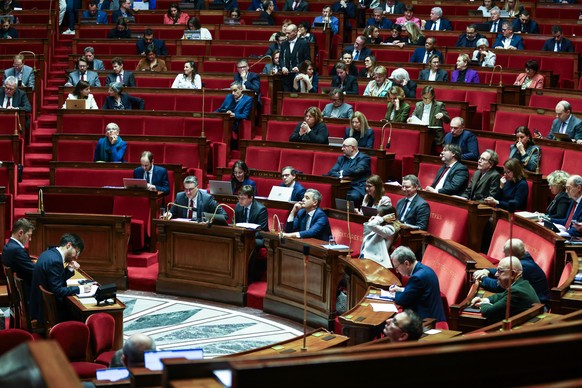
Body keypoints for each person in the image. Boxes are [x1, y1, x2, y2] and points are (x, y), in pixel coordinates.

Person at [29, 233, 91, 322]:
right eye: (76, 252)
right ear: (68, 245)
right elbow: (57, 290)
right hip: (47, 312)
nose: (76, 257)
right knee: (82, 314)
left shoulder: (49, 253)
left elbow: (56, 279)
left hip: (39, 305)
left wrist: (69, 268)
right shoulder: (55, 261)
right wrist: (80, 289)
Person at [474, 238, 550, 308]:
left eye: (505, 253)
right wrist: (487, 271)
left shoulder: (522, 267)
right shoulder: (525, 259)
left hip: (538, 307)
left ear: (510, 255)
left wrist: (483, 278)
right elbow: (503, 269)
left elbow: (498, 287)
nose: (504, 256)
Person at [471, 256, 540, 324]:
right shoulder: (523, 283)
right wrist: (485, 300)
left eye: (500, 271)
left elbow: (489, 311)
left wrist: (483, 304)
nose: (496, 274)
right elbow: (501, 295)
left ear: (512, 274)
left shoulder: (516, 291)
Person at [389, 246, 447, 322]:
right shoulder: (426, 269)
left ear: (406, 263)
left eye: (397, 267)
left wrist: (396, 293)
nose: (397, 271)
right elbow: (418, 291)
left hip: (427, 322)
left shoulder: (417, 277)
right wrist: (400, 289)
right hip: (434, 316)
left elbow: (401, 300)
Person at [236, 184, 269, 282]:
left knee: (250, 244)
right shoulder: (238, 207)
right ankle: (235, 273)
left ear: (251, 198)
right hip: (242, 235)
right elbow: (235, 223)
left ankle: (248, 276)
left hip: (258, 238)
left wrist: (248, 236)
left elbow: (261, 230)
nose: (240, 200)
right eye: (239, 198)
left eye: (243, 198)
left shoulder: (260, 209)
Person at [327, 137, 371, 207]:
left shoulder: (364, 158)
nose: (342, 149)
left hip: (356, 187)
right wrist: (340, 176)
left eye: (344, 147)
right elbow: (331, 172)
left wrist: (341, 173)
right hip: (341, 186)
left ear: (352, 148)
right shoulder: (341, 159)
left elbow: (357, 170)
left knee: (353, 196)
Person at [215, 82, 253, 148]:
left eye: (235, 91)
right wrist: (212, 116)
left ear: (241, 89)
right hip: (225, 120)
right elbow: (220, 109)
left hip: (236, 123)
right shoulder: (229, 97)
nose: (233, 93)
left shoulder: (248, 99)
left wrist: (234, 115)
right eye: (232, 91)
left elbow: (245, 115)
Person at [2, 218, 35, 294]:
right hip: (27, 293)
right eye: (29, 235)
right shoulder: (17, 251)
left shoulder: (8, 246)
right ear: (20, 233)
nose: (30, 239)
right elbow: (34, 272)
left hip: (19, 291)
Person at [280, 24, 311, 92]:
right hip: (286, 76)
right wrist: (283, 67)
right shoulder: (283, 44)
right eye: (286, 33)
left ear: (295, 32)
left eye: (289, 33)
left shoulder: (303, 43)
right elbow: (281, 58)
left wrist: (298, 67)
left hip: (299, 76)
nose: (287, 35)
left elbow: (307, 60)